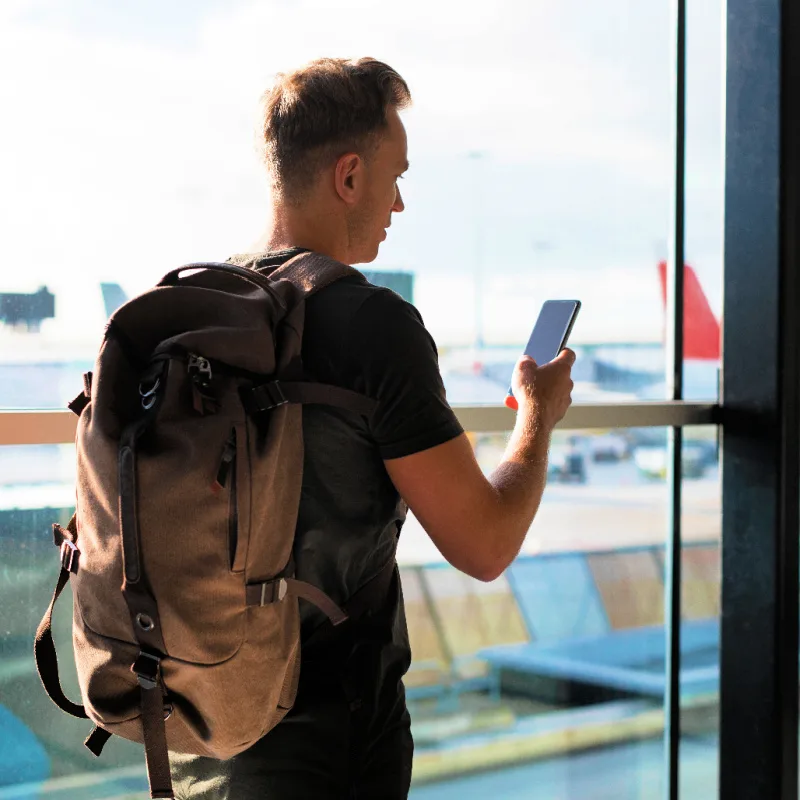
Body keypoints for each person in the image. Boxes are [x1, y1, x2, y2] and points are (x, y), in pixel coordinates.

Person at [170, 57, 575, 799]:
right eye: (396, 176)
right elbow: (484, 545)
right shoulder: (373, 325)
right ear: (349, 176)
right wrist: (539, 415)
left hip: (190, 731)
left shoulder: (190, 309)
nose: (400, 203)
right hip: (327, 744)